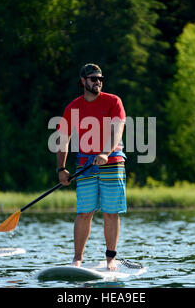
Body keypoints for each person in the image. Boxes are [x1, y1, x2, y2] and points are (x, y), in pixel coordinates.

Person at [56, 63, 127, 271]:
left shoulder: (113, 101)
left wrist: (105, 152)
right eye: (93, 78)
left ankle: (110, 258)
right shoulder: (73, 107)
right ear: (83, 82)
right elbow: (63, 139)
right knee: (84, 212)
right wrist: (61, 169)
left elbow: (117, 131)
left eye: (100, 79)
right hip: (85, 164)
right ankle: (77, 259)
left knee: (110, 212)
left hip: (112, 162)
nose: (98, 82)